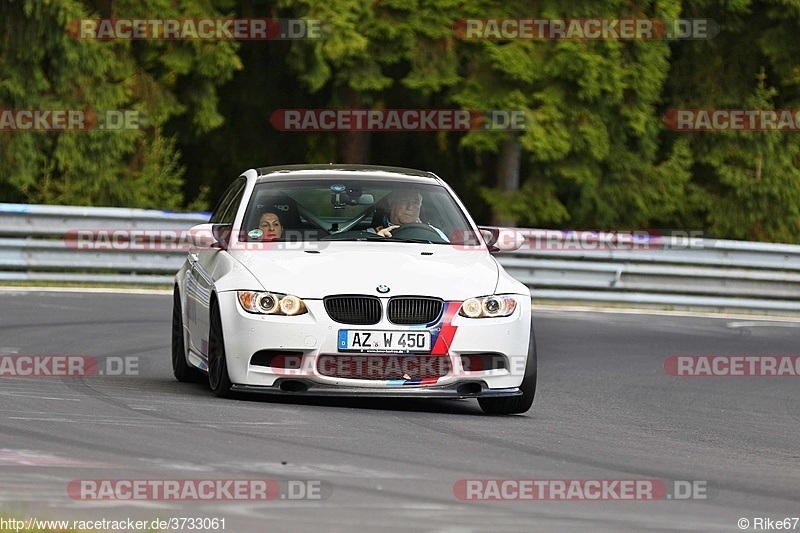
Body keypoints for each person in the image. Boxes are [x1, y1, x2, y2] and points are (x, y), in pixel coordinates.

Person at [374, 190, 447, 240]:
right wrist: (377, 239)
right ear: (391, 202)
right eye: (404, 201)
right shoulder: (373, 233)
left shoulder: (435, 233)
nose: (410, 207)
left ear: (420, 206)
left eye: (415, 203)